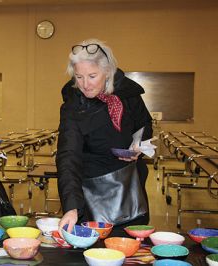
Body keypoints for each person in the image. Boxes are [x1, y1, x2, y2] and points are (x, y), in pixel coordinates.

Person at [57, 38, 153, 233]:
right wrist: (72, 207)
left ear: (107, 72)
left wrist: (139, 148)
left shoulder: (129, 94)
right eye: (79, 77)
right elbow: (68, 156)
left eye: (92, 76)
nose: (85, 84)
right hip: (94, 193)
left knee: (132, 252)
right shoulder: (73, 107)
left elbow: (144, 125)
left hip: (130, 189)